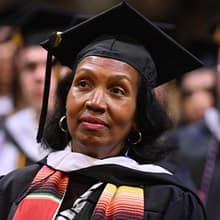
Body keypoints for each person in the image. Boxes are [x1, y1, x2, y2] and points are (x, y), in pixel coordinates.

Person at [0, 2, 206, 219]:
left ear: (138, 116)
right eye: (83, 84)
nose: (95, 102)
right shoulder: (14, 188)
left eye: (117, 90)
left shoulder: (169, 202)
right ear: (66, 99)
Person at [0, 5, 85, 175]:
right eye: (30, 67)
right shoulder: (6, 134)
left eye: (51, 65)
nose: (39, 76)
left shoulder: (89, 137)